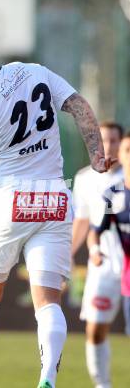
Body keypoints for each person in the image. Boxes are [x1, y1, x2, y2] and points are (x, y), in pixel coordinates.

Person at [0, 27, 113, 388]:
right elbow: (78, 105)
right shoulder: (34, 71)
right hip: (53, 199)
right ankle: (47, 377)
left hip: (9, 201)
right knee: (47, 300)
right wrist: (96, 155)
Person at [72, 122, 124, 388]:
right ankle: (102, 385)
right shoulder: (84, 179)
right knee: (95, 329)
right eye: (103, 140)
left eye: (115, 141)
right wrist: (67, 256)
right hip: (102, 265)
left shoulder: (127, 177)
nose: (109, 146)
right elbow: (83, 222)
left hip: (127, 264)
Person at [89, 132, 130, 339]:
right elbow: (96, 231)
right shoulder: (113, 195)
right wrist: (95, 251)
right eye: (128, 151)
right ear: (120, 156)